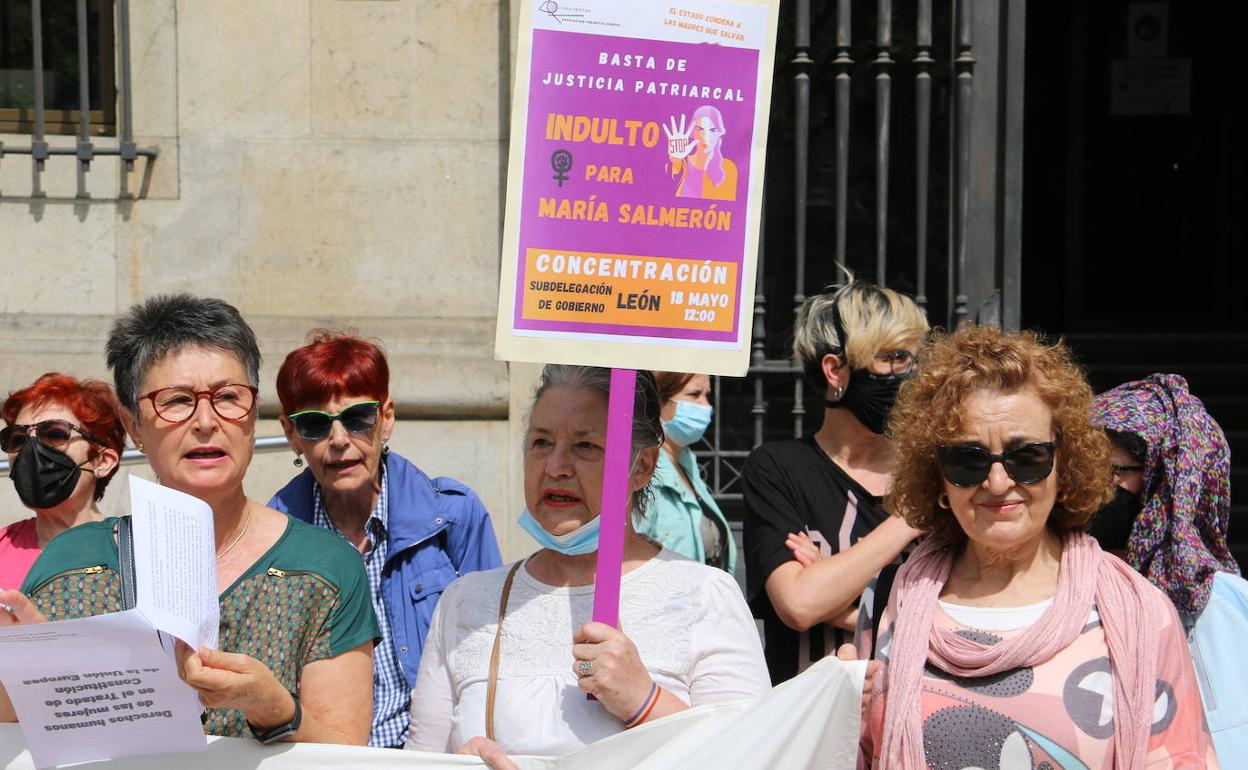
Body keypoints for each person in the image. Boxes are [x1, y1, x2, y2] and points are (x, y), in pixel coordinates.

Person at [0, 294, 379, 745]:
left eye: (227, 397)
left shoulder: (325, 568)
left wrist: (271, 707)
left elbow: (346, 750)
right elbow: (16, 732)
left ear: (254, 413)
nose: (205, 421)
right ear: (134, 425)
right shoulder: (73, 562)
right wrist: (26, 670)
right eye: (176, 401)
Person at [862, 325, 1218, 768]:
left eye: (1026, 457)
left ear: (1063, 464)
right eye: (968, 459)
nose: (997, 482)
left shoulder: (1138, 612)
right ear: (937, 475)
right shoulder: (892, 598)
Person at [406, 365, 769, 767]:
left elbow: (755, 756)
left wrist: (644, 702)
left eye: (585, 446)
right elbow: (420, 760)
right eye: (541, 442)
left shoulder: (704, 596)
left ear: (643, 465)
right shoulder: (467, 601)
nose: (556, 466)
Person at [268, 331, 503, 748]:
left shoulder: (453, 517)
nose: (339, 440)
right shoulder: (276, 536)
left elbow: (490, 654)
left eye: (358, 417)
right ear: (291, 434)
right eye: (315, 424)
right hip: (323, 756)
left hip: (433, 757)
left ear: (387, 417)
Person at [743, 280, 928, 684]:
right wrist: (908, 520)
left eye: (913, 358)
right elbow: (800, 604)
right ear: (835, 370)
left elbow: (957, 613)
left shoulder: (933, 468)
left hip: (910, 722)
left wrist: (836, 584)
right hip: (811, 727)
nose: (910, 375)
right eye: (893, 358)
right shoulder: (777, 469)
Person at [1092, 373, 1247, 761]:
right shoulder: (1054, 588)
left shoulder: (1232, 610)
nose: (1096, 489)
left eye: (1117, 472)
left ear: (1172, 483)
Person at [0, 374, 125, 589]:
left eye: (55, 433)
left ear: (103, 461)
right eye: (18, 438)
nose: (31, 448)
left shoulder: (131, 551)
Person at [634, 371, 735, 574]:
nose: (706, 406)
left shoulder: (687, 465)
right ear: (659, 401)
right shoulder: (642, 472)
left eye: (707, 395)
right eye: (694, 394)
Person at [665, 105, 738, 201]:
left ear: (719, 133)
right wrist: (675, 158)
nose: (705, 137)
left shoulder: (728, 168)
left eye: (712, 130)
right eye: (700, 129)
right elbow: (663, 190)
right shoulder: (681, 164)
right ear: (692, 133)